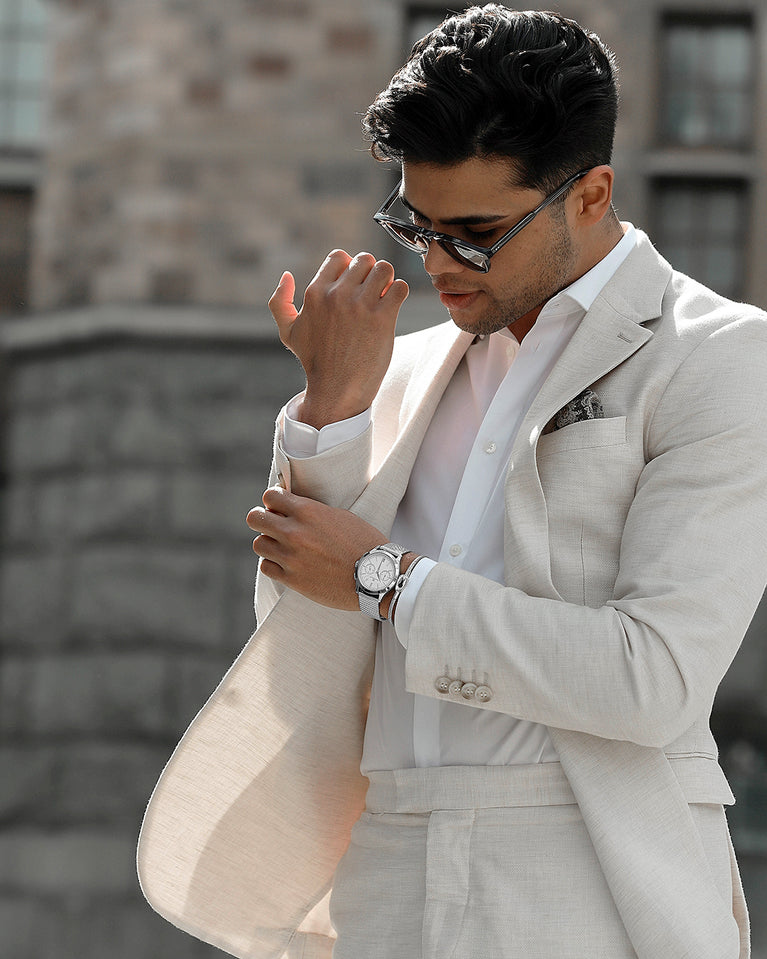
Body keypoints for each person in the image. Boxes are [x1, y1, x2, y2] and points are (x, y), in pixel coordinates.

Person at [137, 6, 767, 958]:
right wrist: (331, 411)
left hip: (584, 870)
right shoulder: (393, 370)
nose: (434, 261)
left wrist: (388, 578)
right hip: (379, 863)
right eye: (413, 224)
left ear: (591, 195)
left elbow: (654, 680)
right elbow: (296, 638)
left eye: (474, 231)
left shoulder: (718, 358)